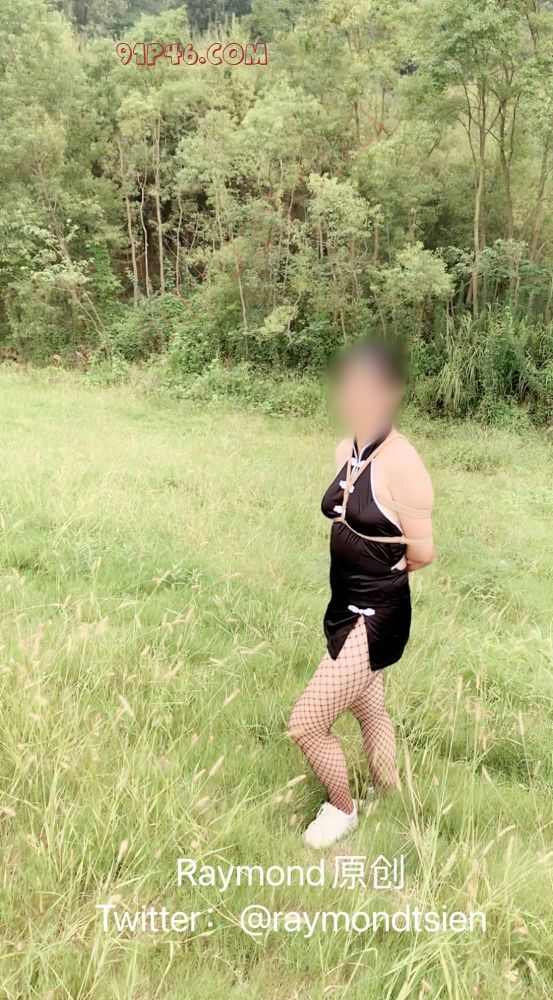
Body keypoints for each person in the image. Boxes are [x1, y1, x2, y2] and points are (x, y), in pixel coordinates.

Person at [289, 339, 435, 848]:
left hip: (376, 612)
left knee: (307, 724)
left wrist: (382, 577)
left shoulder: (404, 463)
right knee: (369, 708)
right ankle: (388, 791)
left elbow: (423, 552)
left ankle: (342, 809)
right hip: (342, 602)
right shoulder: (346, 449)